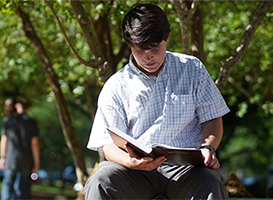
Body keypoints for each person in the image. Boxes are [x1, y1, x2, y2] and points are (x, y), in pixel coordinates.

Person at [84, 3, 230, 200]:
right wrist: (130, 162)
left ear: (167, 37)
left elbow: (212, 118)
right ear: (129, 44)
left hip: (186, 171)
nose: (148, 57)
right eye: (140, 50)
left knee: (211, 184)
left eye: (154, 48)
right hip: (133, 173)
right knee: (100, 181)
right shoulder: (116, 86)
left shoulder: (193, 69)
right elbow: (107, 145)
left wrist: (208, 147)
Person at [0, 98, 40, 200]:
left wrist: (2, 157)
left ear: (16, 106)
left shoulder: (8, 120)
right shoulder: (31, 122)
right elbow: (34, 142)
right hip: (26, 159)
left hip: (11, 158)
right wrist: (37, 161)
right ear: (28, 108)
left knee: (8, 184)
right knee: (24, 187)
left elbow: (4, 139)